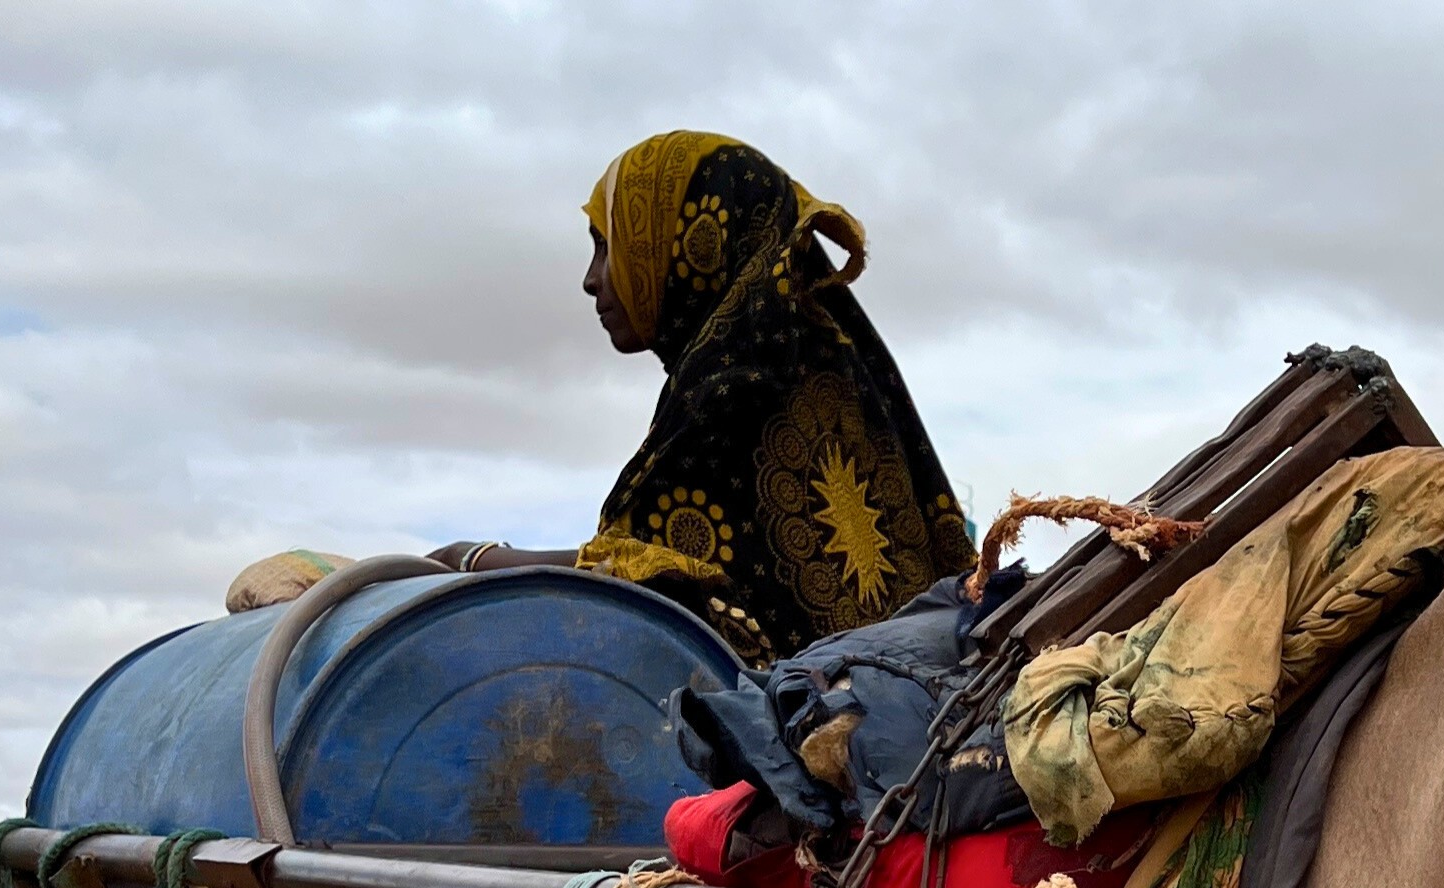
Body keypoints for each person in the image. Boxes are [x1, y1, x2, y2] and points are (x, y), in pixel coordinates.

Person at [230, 132, 975, 663]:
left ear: (686, 245)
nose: (591, 279)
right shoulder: (817, 364)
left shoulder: (740, 386)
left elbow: (648, 584)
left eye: (607, 244)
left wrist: (472, 558)